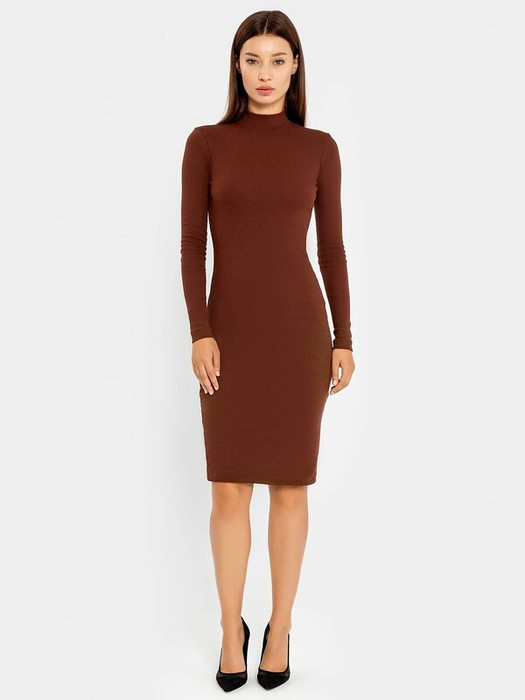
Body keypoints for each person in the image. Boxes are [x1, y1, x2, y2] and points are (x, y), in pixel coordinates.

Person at [180, 10, 355, 692]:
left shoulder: (318, 148)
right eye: (253, 59)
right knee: (228, 487)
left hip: (298, 334)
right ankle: (232, 629)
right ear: (237, 66)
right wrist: (200, 330)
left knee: (289, 486)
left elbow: (331, 249)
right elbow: (192, 248)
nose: (264, 73)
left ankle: (279, 627)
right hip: (228, 334)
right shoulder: (206, 144)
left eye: (278, 60)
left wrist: (344, 337)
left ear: (295, 69)